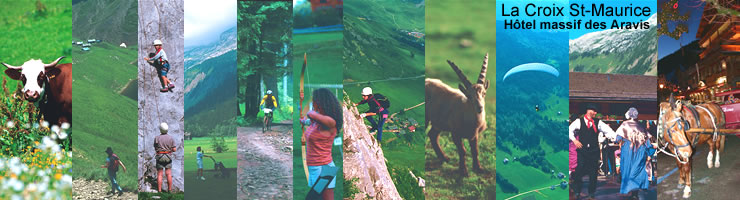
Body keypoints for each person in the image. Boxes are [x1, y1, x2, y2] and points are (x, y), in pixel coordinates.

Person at [569, 104, 619, 199]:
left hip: (593, 151)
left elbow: (608, 131)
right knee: (578, 172)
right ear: (588, 111)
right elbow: (569, 130)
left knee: (593, 174)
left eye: (596, 111)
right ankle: (577, 192)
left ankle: (591, 193)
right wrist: (575, 140)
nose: (596, 113)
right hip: (582, 151)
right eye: (594, 111)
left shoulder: (598, 122)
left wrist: (616, 138)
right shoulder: (578, 121)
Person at [302, 88, 342, 200]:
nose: (312, 103)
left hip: (323, 168)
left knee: (313, 198)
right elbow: (311, 121)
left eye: (314, 100)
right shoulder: (317, 122)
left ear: (319, 102)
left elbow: (312, 115)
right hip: (320, 167)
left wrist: (310, 112)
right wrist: (303, 122)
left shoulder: (330, 121)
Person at [614, 108, 656, 199]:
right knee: (637, 171)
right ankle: (635, 193)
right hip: (640, 150)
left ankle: (630, 190)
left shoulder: (624, 124)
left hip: (628, 151)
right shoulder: (641, 126)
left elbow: (617, 139)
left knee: (628, 170)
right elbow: (648, 142)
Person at [154, 122, 176, 193]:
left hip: (159, 156)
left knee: (160, 174)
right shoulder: (171, 138)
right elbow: (174, 149)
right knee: (168, 174)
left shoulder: (157, 138)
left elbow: (155, 147)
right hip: (168, 157)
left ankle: (159, 191)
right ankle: (169, 190)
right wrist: (169, 150)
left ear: (160, 130)